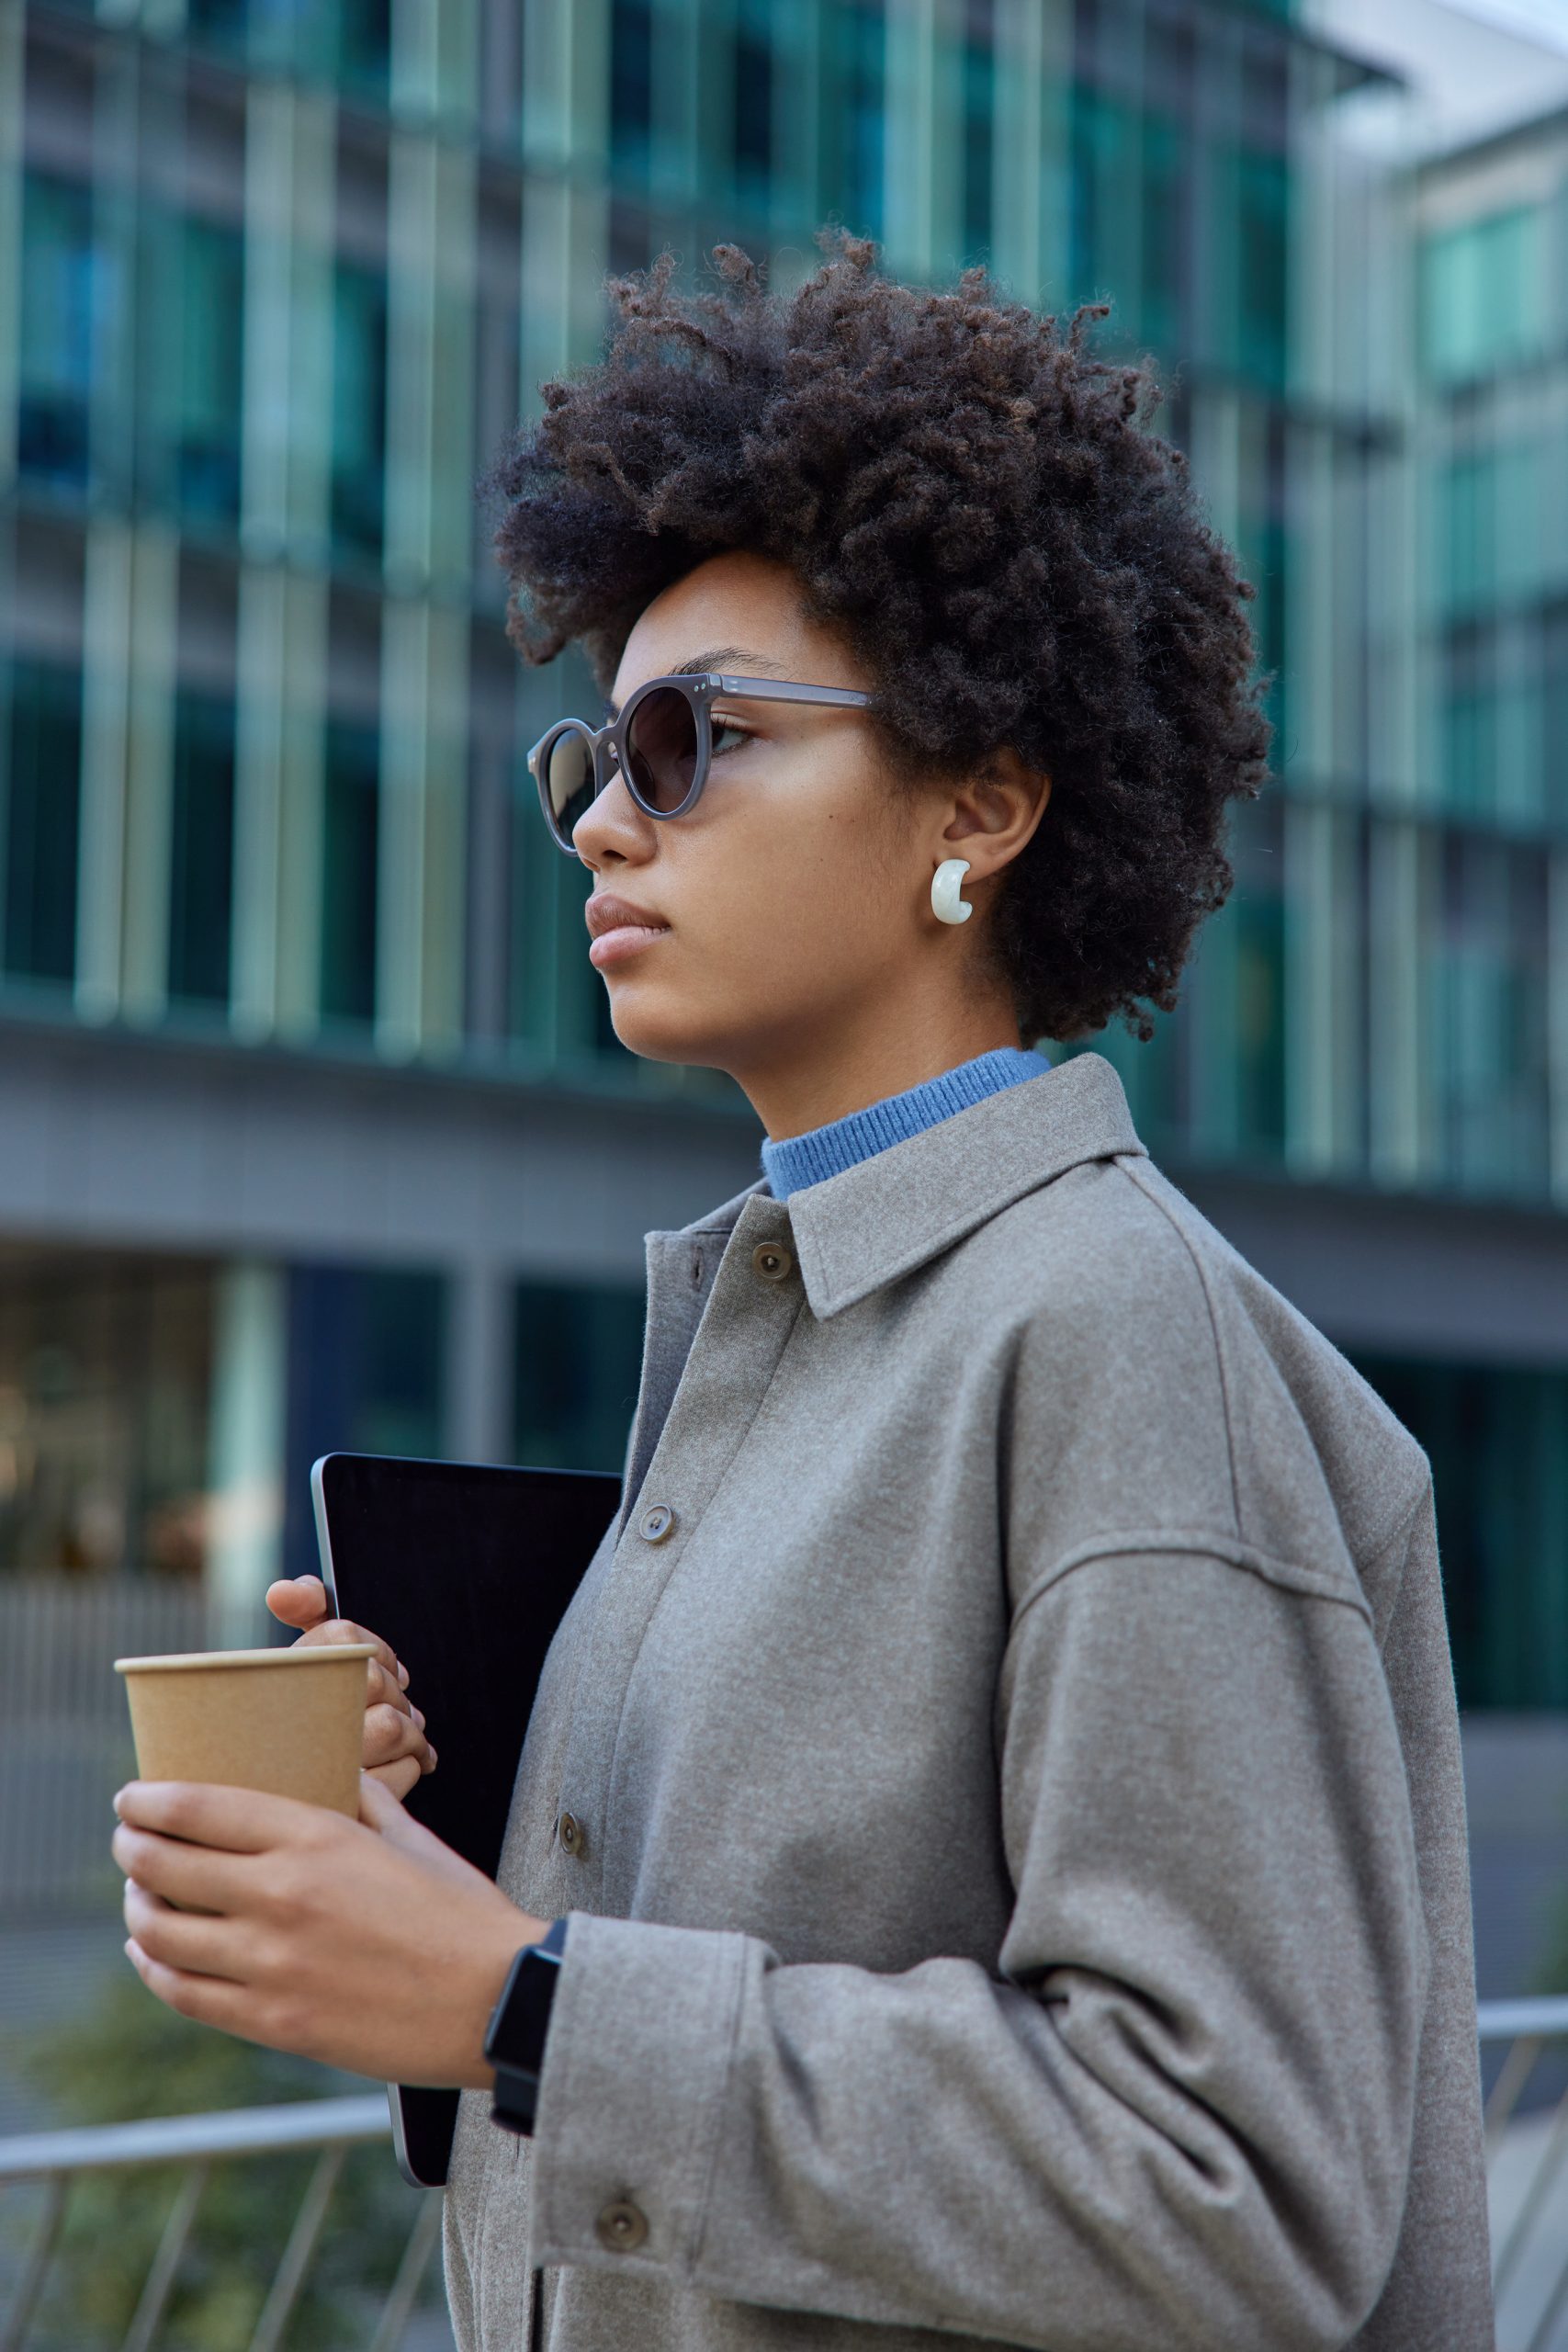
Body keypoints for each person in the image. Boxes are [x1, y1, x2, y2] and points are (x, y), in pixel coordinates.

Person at [112, 234, 1492, 2351]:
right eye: (593, 758)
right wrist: (434, 1878)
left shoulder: (1109, 1334)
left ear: (980, 802)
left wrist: (516, 1998)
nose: (603, 823)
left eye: (695, 741)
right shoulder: (801, 1326)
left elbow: (1233, 2191)